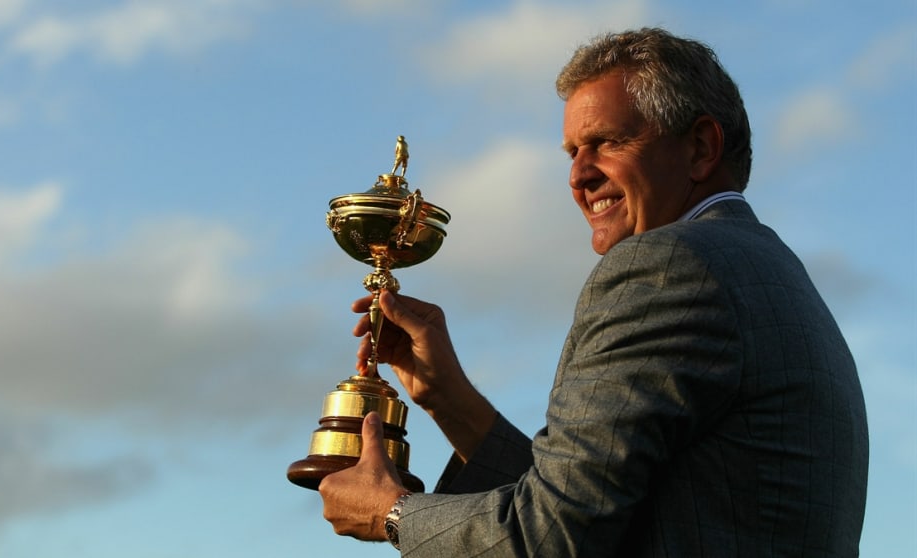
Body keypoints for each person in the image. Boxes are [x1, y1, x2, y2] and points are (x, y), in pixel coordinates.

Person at [318, 27, 869, 556]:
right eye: (572, 152)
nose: (579, 175)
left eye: (607, 142)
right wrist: (449, 399)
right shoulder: (771, 272)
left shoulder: (667, 264)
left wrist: (392, 512)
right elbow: (591, 513)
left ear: (701, 147)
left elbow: (550, 540)